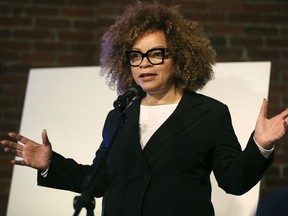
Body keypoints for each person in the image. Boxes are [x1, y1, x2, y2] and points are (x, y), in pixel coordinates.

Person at [1, 1, 288, 216]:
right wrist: (51, 163)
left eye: (156, 53)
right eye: (135, 56)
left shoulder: (210, 113)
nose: (144, 63)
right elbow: (100, 181)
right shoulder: (120, 114)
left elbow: (235, 180)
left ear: (179, 58)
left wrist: (260, 144)